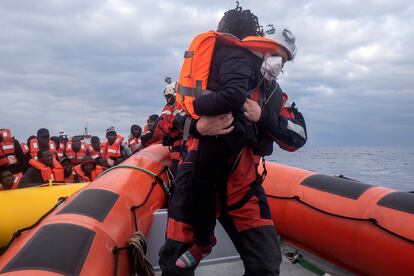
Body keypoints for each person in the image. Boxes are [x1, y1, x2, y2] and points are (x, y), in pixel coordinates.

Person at [160, 8, 306, 275]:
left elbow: (297, 137)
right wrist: (198, 126)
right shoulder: (206, 76)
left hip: (244, 188)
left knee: (266, 264)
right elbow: (172, 123)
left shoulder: (273, 96)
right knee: (175, 264)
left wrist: (263, 117)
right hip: (197, 180)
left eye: (281, 59)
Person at [141, 81, 185, 176]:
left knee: (179, 183)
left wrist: (145, 140)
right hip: (197, 148)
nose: (168, 100)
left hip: (181, 149)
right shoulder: (192, 105)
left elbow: (159, 129)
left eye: (169, 97)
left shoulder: (171, 111)